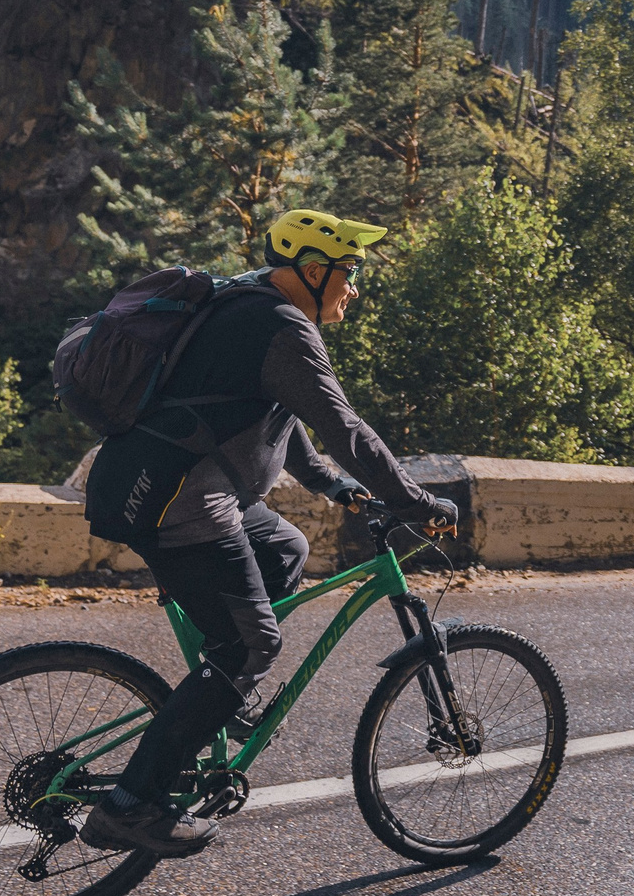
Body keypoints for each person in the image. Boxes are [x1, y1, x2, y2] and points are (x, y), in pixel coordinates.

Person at [79, 209, 459, 859]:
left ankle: (223, 696)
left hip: (163, 483)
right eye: (349, 274)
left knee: (287, 547)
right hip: (179, 499)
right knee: (252, 642)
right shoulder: (282, 325)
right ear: (314, 271)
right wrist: (416, 500)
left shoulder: (248, 304)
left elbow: (287, 423)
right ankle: (131, 804)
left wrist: (335, 486)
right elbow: (348, 429)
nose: (354, 289)